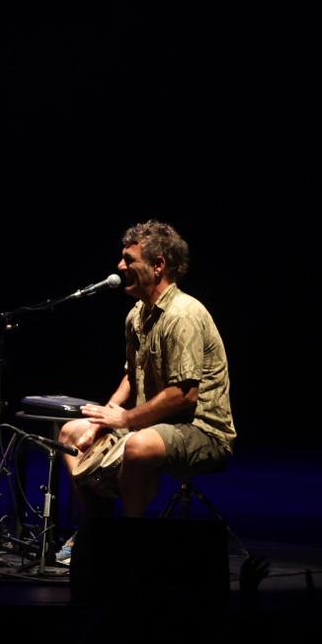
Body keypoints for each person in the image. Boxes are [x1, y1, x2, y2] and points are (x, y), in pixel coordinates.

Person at [60, 219, 236, 520]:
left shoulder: (184, 315)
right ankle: (94, 532)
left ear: (158, 265)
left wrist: (126, 418)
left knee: (139, 446)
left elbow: (184, 395)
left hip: (201, 430)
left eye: (129, 260)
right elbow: (132, 376)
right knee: (70, 433)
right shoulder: (136, 316)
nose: (120, 265)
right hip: (153, 423)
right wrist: (100, 423)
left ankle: (132, 541)